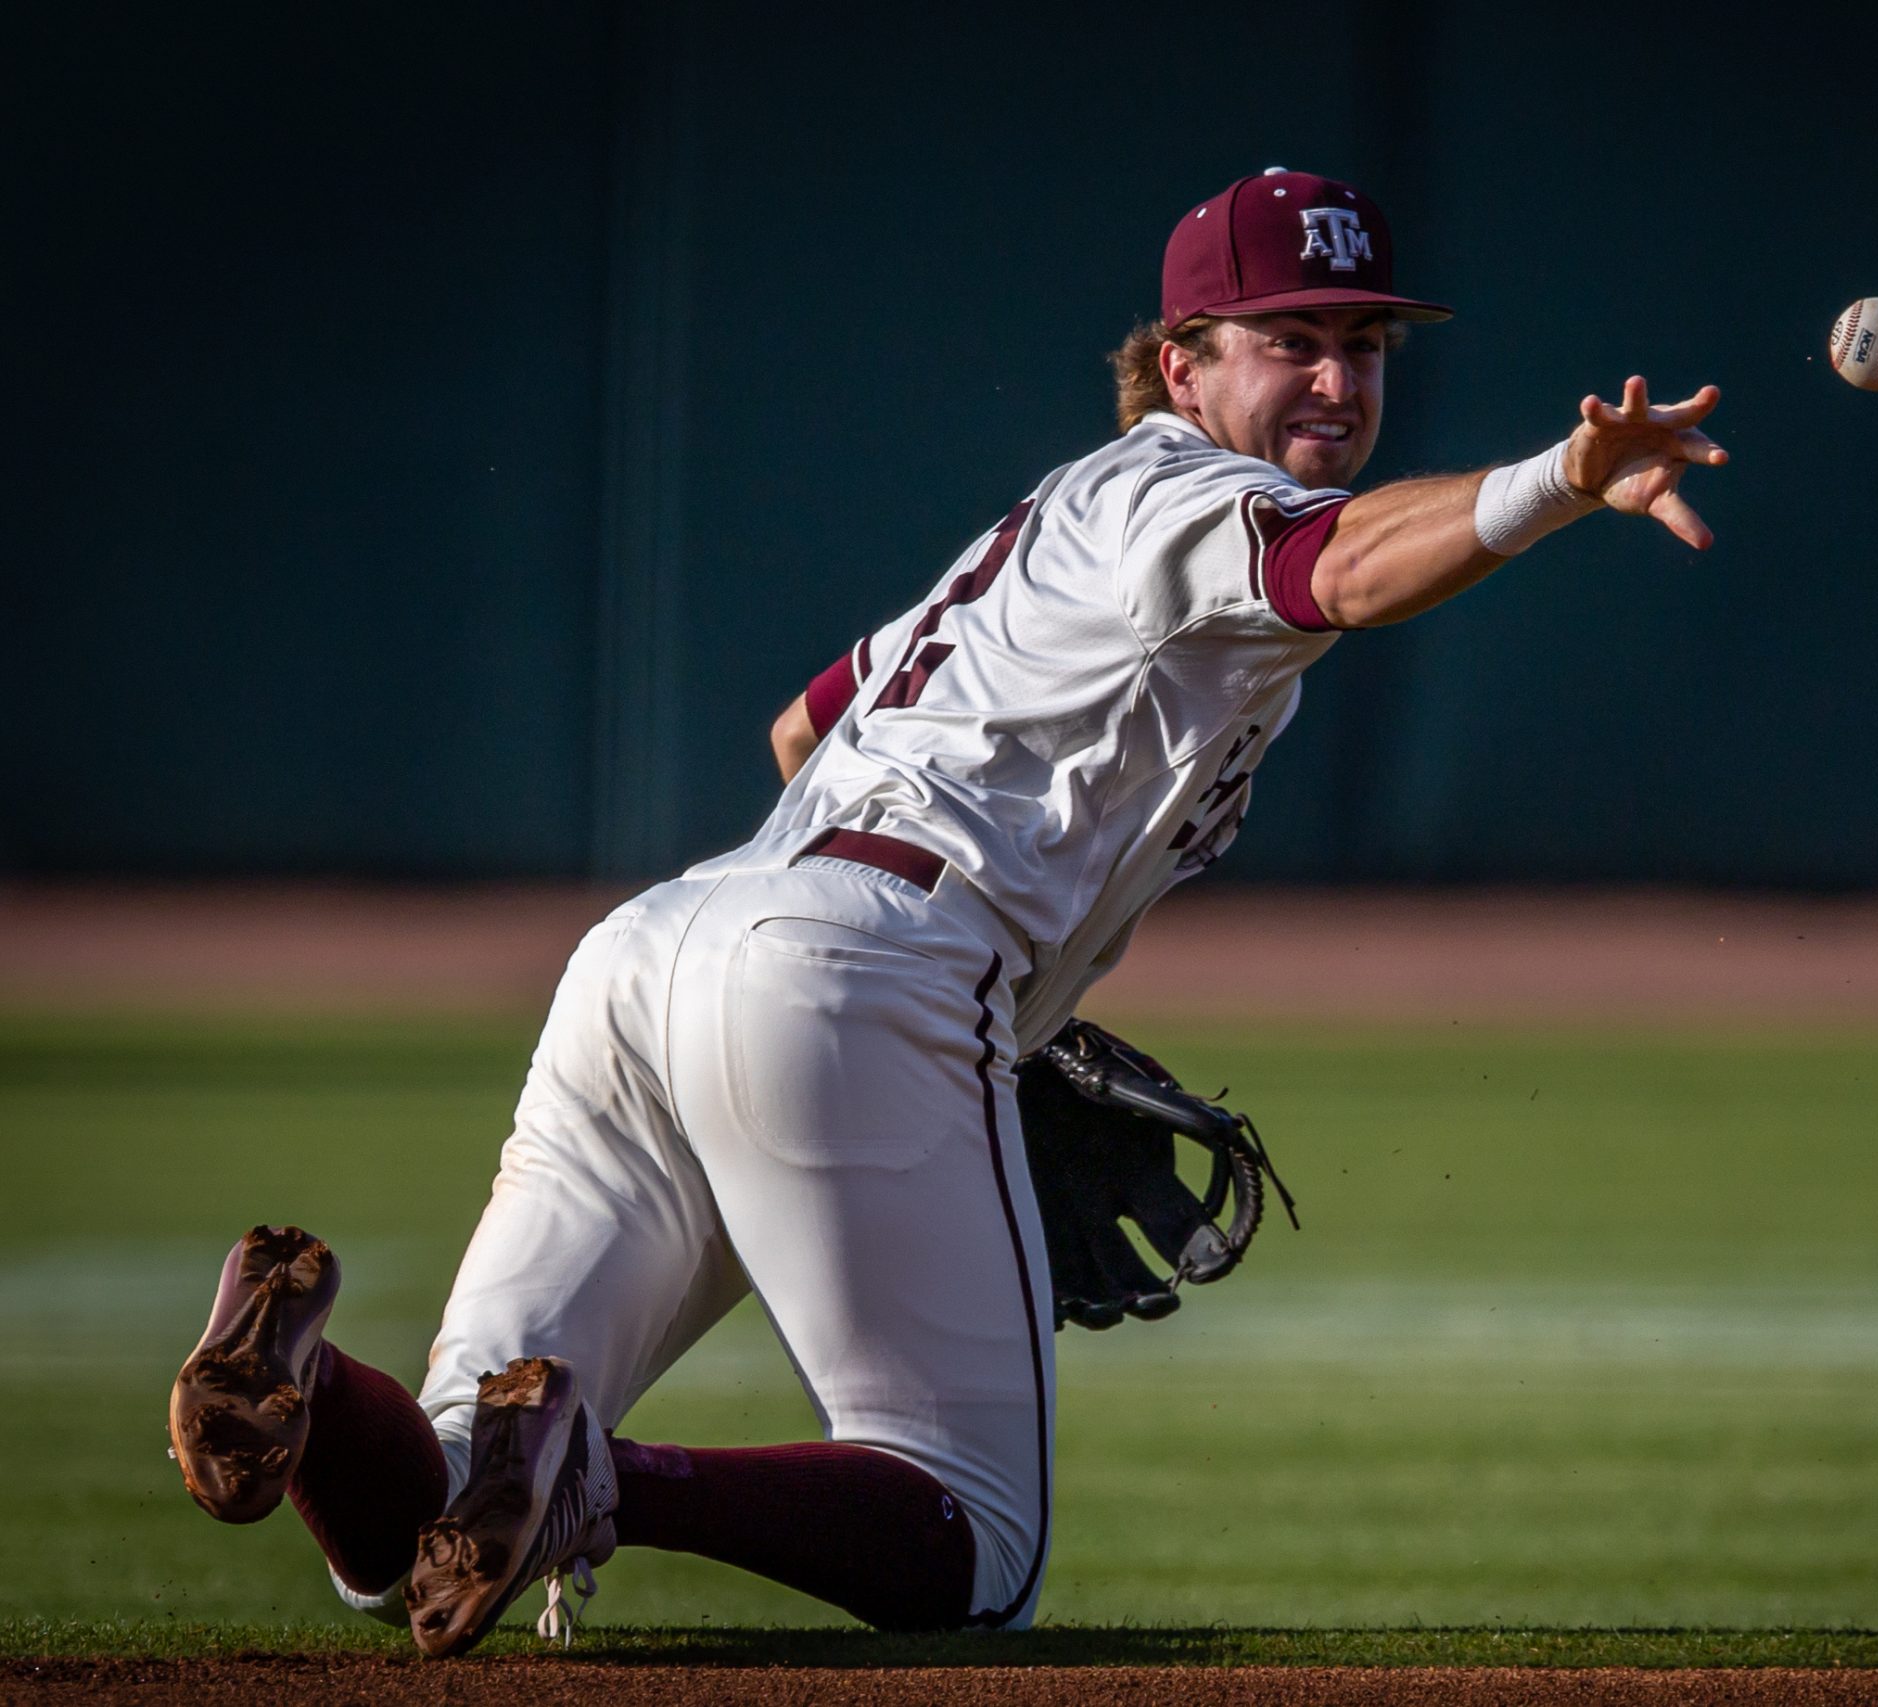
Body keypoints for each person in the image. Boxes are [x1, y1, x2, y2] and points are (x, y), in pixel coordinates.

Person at [166, 166, 1726, 1655]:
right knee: (975, 1548)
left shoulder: (1057, 520)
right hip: (863, 971)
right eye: (1290, 341)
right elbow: (1350, 572)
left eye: (1365, 343)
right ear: (1183, 366)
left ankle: (297, 1392)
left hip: (660, 953)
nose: (1338, 378)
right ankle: (601, 1483)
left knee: (424, 1525)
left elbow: (800, 729)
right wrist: (1563, 480)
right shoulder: (1186, 499)